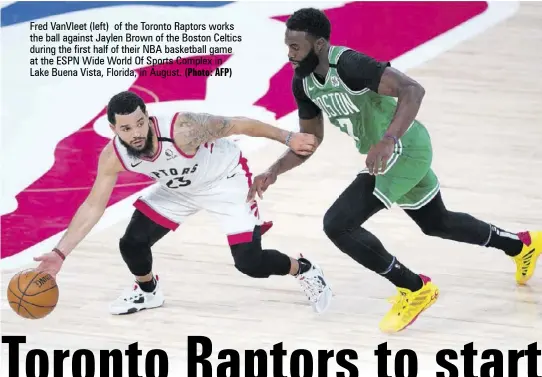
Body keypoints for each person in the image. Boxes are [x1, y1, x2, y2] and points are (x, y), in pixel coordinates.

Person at [247, 7, 541, 333]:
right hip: (394, 153)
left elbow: (412, 90)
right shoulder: (303, 83)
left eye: (295, 47)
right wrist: (275, 170)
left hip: (402, 148)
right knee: (436, 222)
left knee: (338, 224)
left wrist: (387, 140)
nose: (289, 54)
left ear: (317, 45)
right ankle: (522, 244)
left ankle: (414, 288)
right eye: (288, 46)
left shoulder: (348, 64)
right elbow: (311, 139)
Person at [33, 90, 333, 315]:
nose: (137, 133)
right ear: (114, 130)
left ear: (148, 116)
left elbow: (238, 124)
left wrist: (288, 137)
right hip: (178, 188)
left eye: (140, 123)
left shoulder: (183, 129)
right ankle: (148, 292)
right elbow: (93, 206)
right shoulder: (114, 156)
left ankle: (304, 268)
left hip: (224, 181)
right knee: (132, 243)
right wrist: (60, 254)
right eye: (126, 129)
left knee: (249, 263)